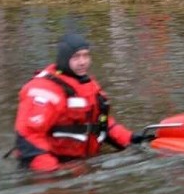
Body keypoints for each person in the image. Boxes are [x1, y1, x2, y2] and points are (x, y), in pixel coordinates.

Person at [12, 34, 148, 172]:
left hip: (82, 164)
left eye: (85, 55)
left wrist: (131, 139)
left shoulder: (87, 84)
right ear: (64, 58)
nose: (82, 62)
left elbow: (101, 123)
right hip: (54, 166)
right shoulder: (44, 89)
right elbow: (29, 137)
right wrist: (54, 173)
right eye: (76, 57)